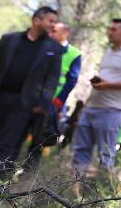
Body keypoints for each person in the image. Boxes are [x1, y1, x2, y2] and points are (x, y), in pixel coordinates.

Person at [0, 7, 63, 187]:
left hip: (24, 106)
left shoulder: (54, 49)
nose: (54, 25)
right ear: (36, 20)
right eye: (51, 21)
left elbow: (52, 79)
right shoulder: (9, 40)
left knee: (7, 147)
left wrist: (42, 103)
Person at [71, 18, 121, 174]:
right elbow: (105, 77)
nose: (108, 32)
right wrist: (86, 105)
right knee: (80, 150)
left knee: (105, 153)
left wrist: (108, 85)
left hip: (112, 111)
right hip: (91, 108)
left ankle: (100, 191)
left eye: (113, 29)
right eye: (109, 29)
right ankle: (74, 188)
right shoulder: (109, 52)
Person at [22, 21, 82, 172]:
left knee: (39, 136)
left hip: (51, 102)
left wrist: (59, 100)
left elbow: (71, 80)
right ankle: (9, 163)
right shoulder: (43, 46)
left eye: (54, 31)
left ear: (64, 34)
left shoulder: (74, 54)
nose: (50, 34)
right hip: (31, 97)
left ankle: (29, 170)